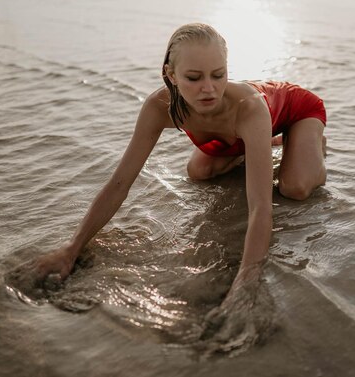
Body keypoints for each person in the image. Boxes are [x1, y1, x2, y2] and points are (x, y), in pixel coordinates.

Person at [23, 22, 327, 309]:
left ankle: (304, 141)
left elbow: (260, 207)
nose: (208, 89)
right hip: (235, 134)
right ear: (170, 74)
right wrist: (71, 249)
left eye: (218, 75)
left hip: (294, 110)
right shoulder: (159, 107)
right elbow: (119, 184)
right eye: (194, 78)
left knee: (294, 187)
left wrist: (245, 284)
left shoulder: (249, 107)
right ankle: (257, 144)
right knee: (199, 172)